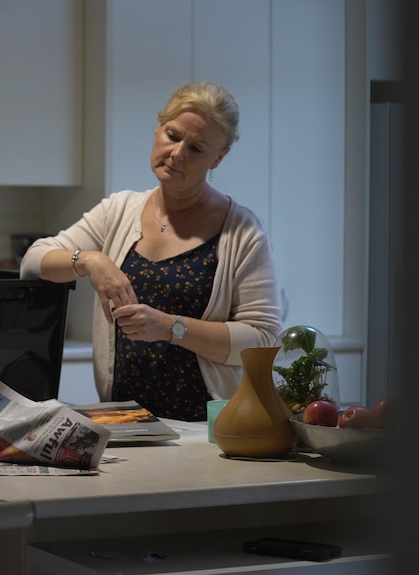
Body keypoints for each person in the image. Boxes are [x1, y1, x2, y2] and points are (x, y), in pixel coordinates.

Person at [20, 82, 282, 421]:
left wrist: (172, 327)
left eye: (197, 148)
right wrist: (88, 260)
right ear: (158, 128)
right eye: (172, 136)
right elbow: (33, 261)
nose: (177, 154)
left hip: (206, 429)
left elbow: (262, 338)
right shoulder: (118, 210)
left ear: (218, 157)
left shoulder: (243, 232)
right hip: (126, 424)